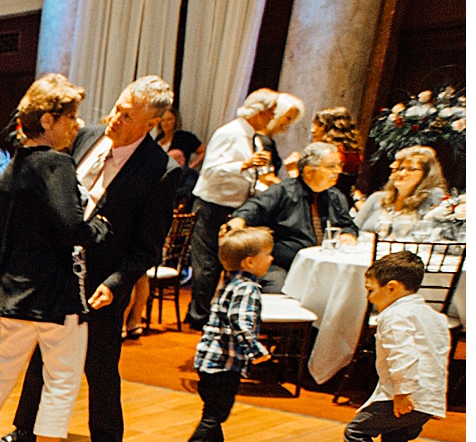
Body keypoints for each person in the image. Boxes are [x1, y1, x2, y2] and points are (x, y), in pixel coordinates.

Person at [0, 75, 180, 442]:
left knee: (99, 361)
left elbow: (148, 245)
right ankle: (25, 428)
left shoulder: (160, 170)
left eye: (127, 114)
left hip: (102, 277)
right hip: (56, 266)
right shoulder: (85, 136)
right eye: (117, 106)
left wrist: (117, 284)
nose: (114, 117)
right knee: (42, 350)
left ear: (152, 122)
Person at [0, 74, 111, 442]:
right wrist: (98, 228)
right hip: (56, 295)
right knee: (61, 380)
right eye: (71, 117)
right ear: (48, 119)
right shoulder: (56, 163)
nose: (77, 125)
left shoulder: (13, 168)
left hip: (15, 294)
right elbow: (71, 226)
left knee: (2, 371)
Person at [325, 252, 449, 442]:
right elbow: (438, 356)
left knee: (357, 432)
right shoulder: (434, 316)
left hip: (404, 395)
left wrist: (403, 392)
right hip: (428, 397)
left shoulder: (394, 316)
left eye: (370, 290)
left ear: (391, 287)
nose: (368, 297)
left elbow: (402, 354)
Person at [171, 226, 274, 442]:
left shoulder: (230, 281)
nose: (271, 259)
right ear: (250, 261)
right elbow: (240, 322)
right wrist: (257, 351)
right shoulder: (248, 288)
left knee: (213, 408)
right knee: (216, 412)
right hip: (223, 363)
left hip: (208, 360)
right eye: (267, 254)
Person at [188, 89, 285, 327]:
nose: (272, 117)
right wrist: (244, 164)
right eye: (271, 112)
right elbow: (210, 170)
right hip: (212, 205)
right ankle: (198, 317)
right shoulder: (230, 133)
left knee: (224, 264)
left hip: (233, 206)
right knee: (207, 265)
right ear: (258, 112)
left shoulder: (252, 136)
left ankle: (210, 314)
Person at [222, 141, 352, 294]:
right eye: (331, 166)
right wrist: (238, 221)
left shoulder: (335, 197)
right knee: (277, 288)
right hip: (280, 265)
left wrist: (348, 234)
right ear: (309, 171)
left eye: (338, 165)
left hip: (322, 267)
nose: (337, 171)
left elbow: (348, 224)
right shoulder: (283, 191)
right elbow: (255, 207)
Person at [355, 146, 447, 236]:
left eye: (411, 169)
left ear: (426, 175)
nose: (402, 174)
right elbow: (351, 230)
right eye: (400, 169)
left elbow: (433, 236)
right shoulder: (377, 198)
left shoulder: (430, 199)